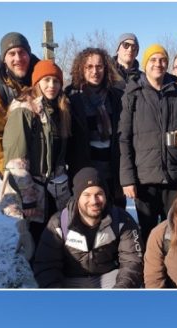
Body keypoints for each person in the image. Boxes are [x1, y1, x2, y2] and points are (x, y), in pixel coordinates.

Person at [119, 44, 177, 243]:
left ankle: (173, 272)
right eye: (153, 60)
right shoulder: (133, 94)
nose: (158, 64)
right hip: (145, 179)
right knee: (149, 233)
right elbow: (124, 138)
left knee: (175, 231)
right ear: (145, 64)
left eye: (162, 60)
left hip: (175, 176)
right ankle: (150, 272)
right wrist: (127, 178)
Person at [0, 59, 71, 252]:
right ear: (37, 82)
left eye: (56, 81)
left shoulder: (59, 109)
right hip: (33, 191)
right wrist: (29, 198)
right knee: (39, 242)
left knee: (57, 240)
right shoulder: (23, 110)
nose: (52, 85)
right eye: (46, 80)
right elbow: (16, 160)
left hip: (55, 189)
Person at [32, 167, 143, 288]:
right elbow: (46, 266)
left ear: (106, 195)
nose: (94, 201)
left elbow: (132, 262)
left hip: (109, 278)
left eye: (99, 194)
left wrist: (121, 290)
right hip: (70, 281)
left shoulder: (122, 220)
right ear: (77, 197)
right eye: (87, 195)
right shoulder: (58, 224)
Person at [66, 48, 125, 208]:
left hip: (113, 170)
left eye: (99, 66)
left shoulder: (116, 96)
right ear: (81, 69)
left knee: (115, 217)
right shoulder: (71, 97)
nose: (95, 71)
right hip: (84, 169)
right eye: (89, 67)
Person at [0, 32, 40, 177]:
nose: (18, 58)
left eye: (22, 52)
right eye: (12, 54)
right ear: (4, 59)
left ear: (29, 54)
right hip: (15, 165)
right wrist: (6, 171)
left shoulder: (44, 80)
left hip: (44, 164)